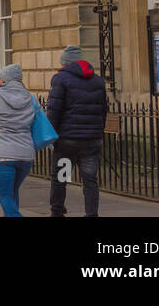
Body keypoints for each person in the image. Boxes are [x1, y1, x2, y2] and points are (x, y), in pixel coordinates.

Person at [46, 44, 108, 217]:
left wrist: (51, 137)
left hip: (68, 141)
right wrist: (98, 131)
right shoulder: (97, 80)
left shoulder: (61, 79)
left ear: (65, 62)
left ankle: (57, 212)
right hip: (92, 141)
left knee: (61, 178)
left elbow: (54, 110)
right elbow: (103, 110)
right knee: (90, 180)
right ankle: (91, 214)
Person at [0, 63, 37, 217]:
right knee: (12, 192)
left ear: (4, 81)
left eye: (1, 79)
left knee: (4, 195)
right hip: (25, 155)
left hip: (1, 154)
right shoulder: (30, 98)